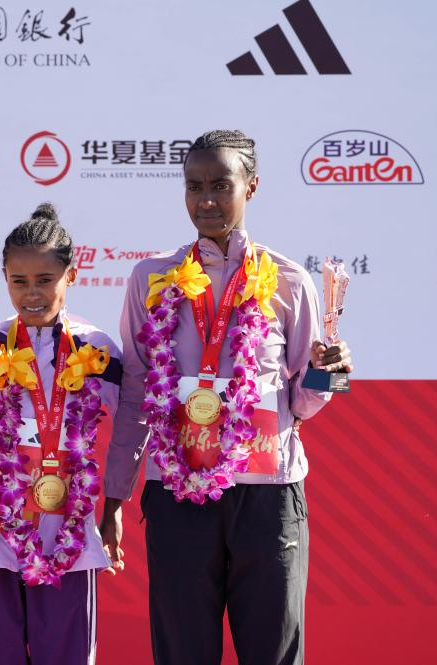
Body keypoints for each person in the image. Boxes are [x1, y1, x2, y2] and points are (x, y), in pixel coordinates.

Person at [99, 130, 354, 665]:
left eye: (221, 185)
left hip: (268, 497)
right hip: (178, 495)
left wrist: (328, 376)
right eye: (194, 187)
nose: (207, 200)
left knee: (274, 655)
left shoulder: (289, 281)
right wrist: (115, 497)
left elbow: (301, 404)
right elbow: (137, 396)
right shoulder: (151, 278)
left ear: (251, 186)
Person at [0, 203, 122, 665]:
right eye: (19, 281)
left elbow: (134, 429)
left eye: (45, 280)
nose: (32, 294)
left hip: (68, 538)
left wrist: (114, 505)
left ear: (71, 276)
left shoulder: (98, 351)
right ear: (4, 279)